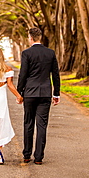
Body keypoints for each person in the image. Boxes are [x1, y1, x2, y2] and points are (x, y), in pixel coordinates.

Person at [17, 27, 60, 165]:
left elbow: (23, 74)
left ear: (30, 38)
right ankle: (39, 157)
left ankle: (27, 154)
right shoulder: (50, 53)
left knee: (28, 123)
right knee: (42, 125)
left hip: (29, 93)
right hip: (45, 93)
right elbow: (56, 75)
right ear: (40, 37)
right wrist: (56, 93)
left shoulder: (26, 53)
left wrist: (19, 92)